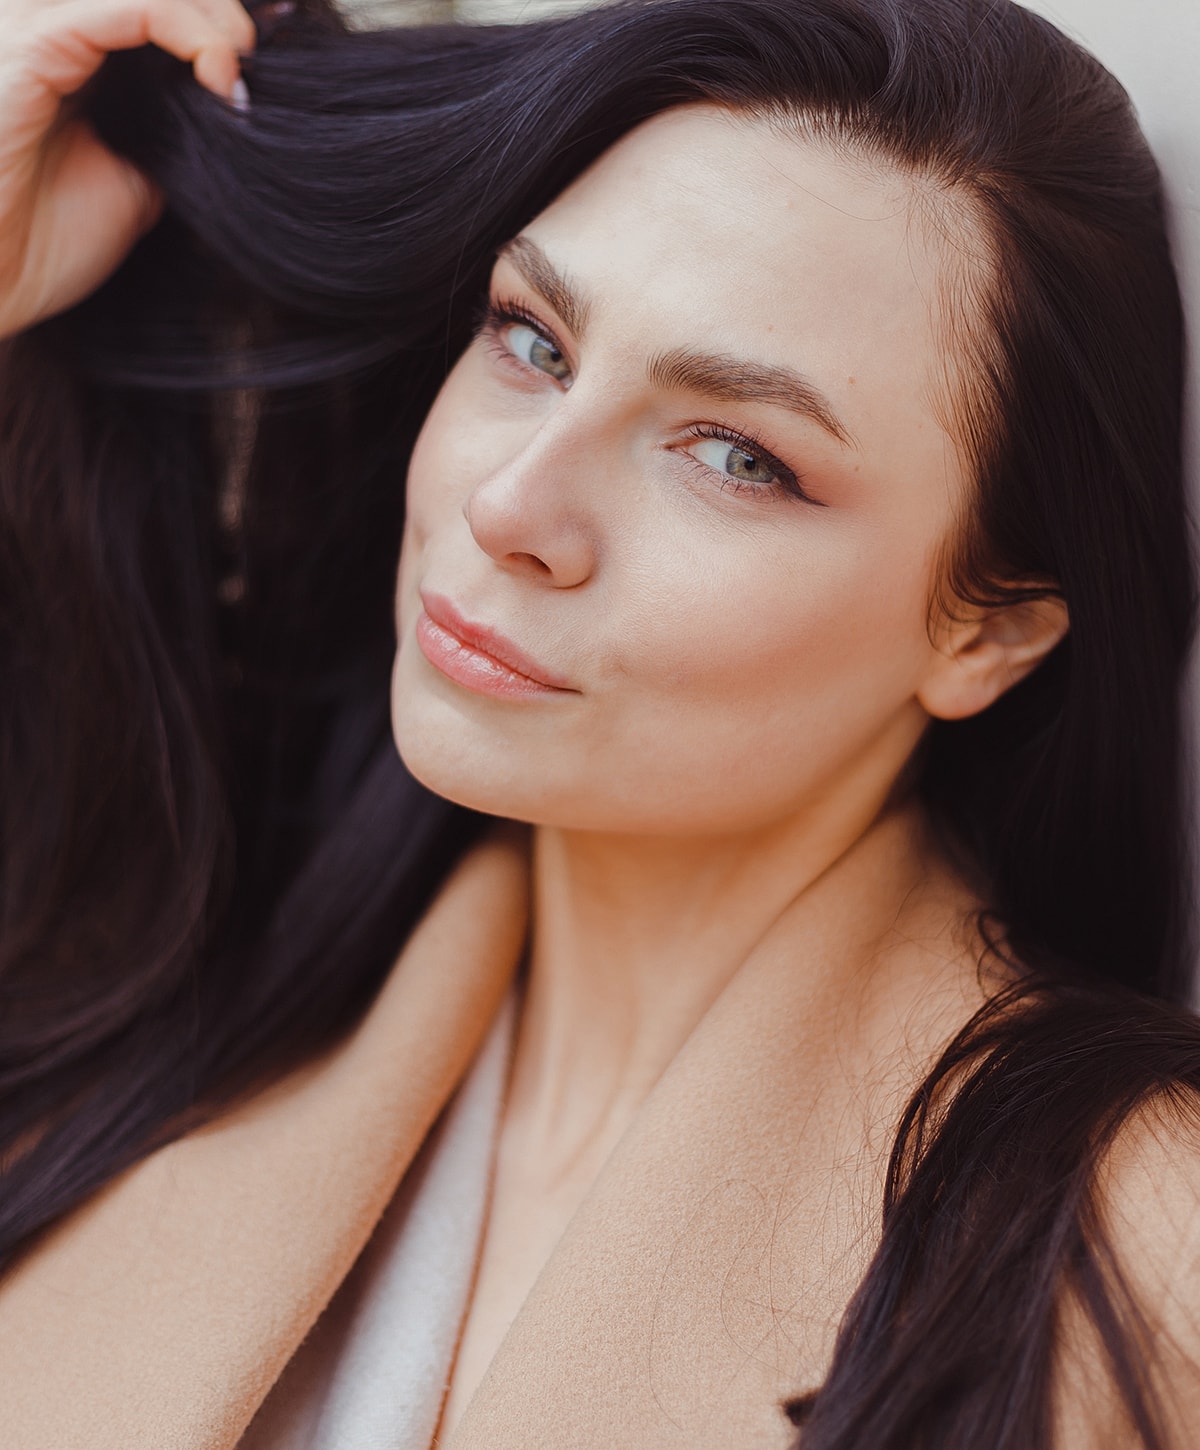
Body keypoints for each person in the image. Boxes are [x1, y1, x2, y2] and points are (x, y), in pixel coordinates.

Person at [0, 0, 1198, 1444]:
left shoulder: (1131, 1255)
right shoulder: (163, 948)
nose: (512, 507)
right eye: (532, 340)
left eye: (739, 455)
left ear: (990, 624)